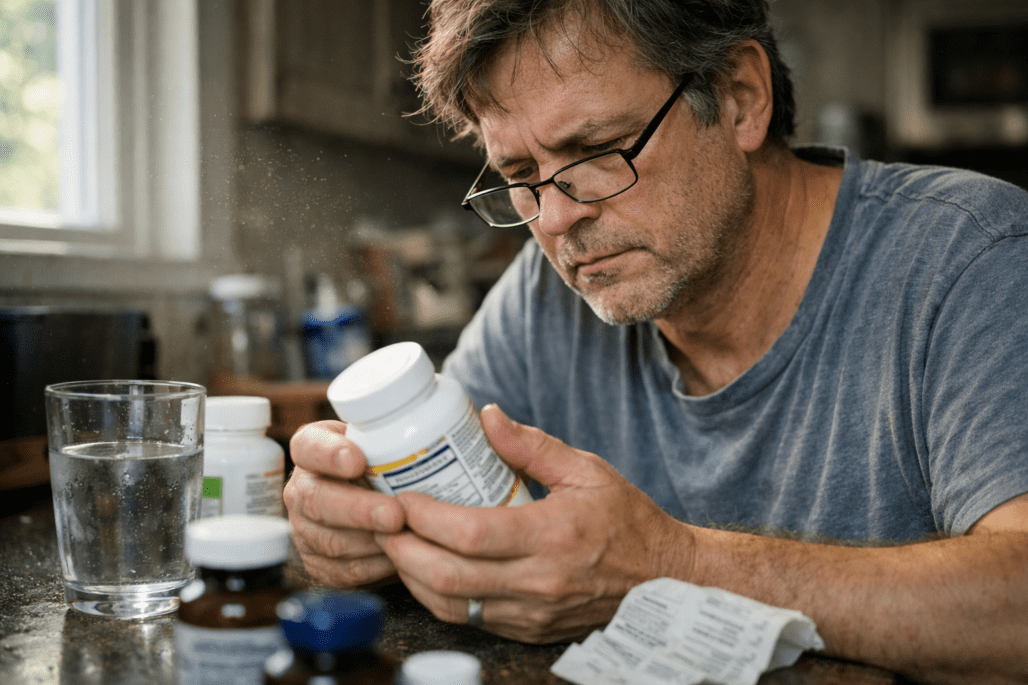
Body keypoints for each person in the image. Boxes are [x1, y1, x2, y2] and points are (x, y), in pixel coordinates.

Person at [285, 0, 1028, 681]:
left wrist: (675, 563)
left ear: (740, 97)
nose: (552, 221)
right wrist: (357, 523)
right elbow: (439, 492)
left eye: (598, 148)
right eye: (520, 175)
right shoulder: (551, 294)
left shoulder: (972, 256)